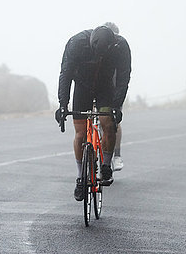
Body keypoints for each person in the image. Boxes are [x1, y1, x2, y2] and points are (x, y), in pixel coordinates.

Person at [55, 25, 131, 201]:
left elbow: (123, 78)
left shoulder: (121, 46)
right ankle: (80, 177)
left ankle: (105, 165)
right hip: (82, 87)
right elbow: (65, 74)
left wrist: (116, 106)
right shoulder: (76, 43)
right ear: (90, 44)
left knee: (108, 124)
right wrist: (63, 104)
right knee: (80, 134)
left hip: (105, 89)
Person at [103, 22, 124, 172]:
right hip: (97, 89)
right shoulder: (97, 45)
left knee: (113, 122)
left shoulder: (120, 50)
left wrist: (117, 102)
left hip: (115, 90)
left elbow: (122, 77)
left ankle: (117, 156)